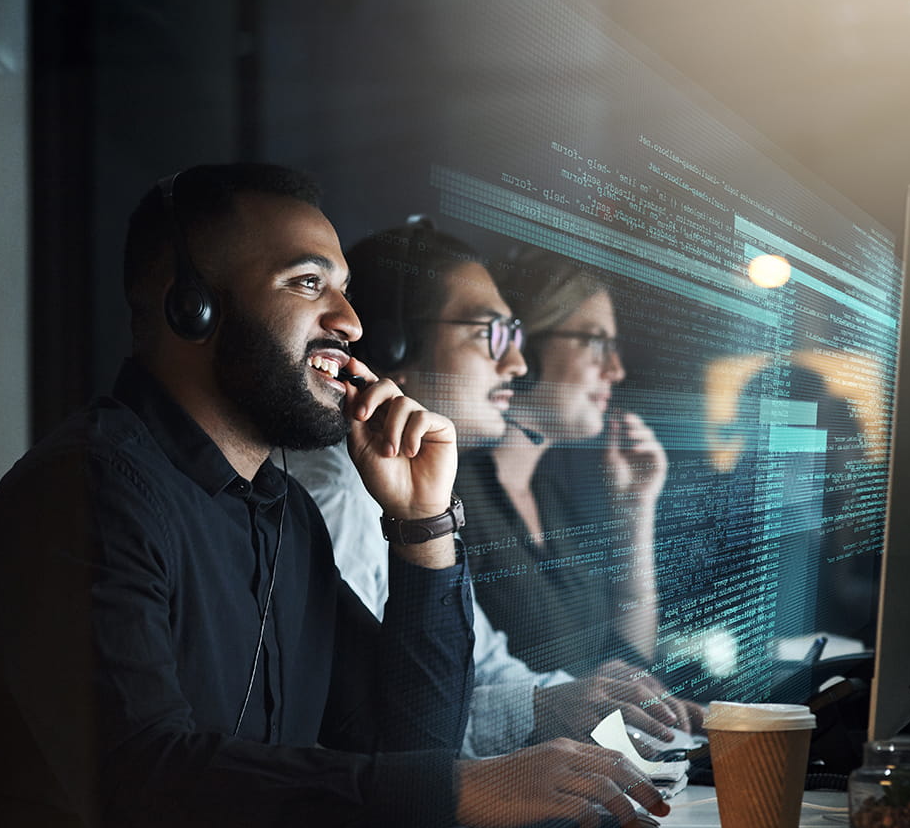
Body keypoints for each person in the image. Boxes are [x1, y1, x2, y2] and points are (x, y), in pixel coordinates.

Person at [0, 166, 666, 828]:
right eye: (309, 284)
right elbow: (143, 784)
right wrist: (458, 789)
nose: (350, 321)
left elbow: (406, 743)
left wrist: (421, 524)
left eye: (341, 286)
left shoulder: (281, 513)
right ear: (193, 308)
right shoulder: (86, 493)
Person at [285, 221, 700, 755]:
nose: (517, 364)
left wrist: (579, 700)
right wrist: (547, 708)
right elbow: (381, 725)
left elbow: (484, 664)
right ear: (399, 347)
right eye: (491, 336)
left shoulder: (417, 485)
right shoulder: (338, 499)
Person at [458, 248, 669, 677]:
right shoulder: (451, 498)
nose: (615, 370)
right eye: (595, 343)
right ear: (526, 347)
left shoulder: (548, 496)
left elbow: (625, 667)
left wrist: (636, 510)